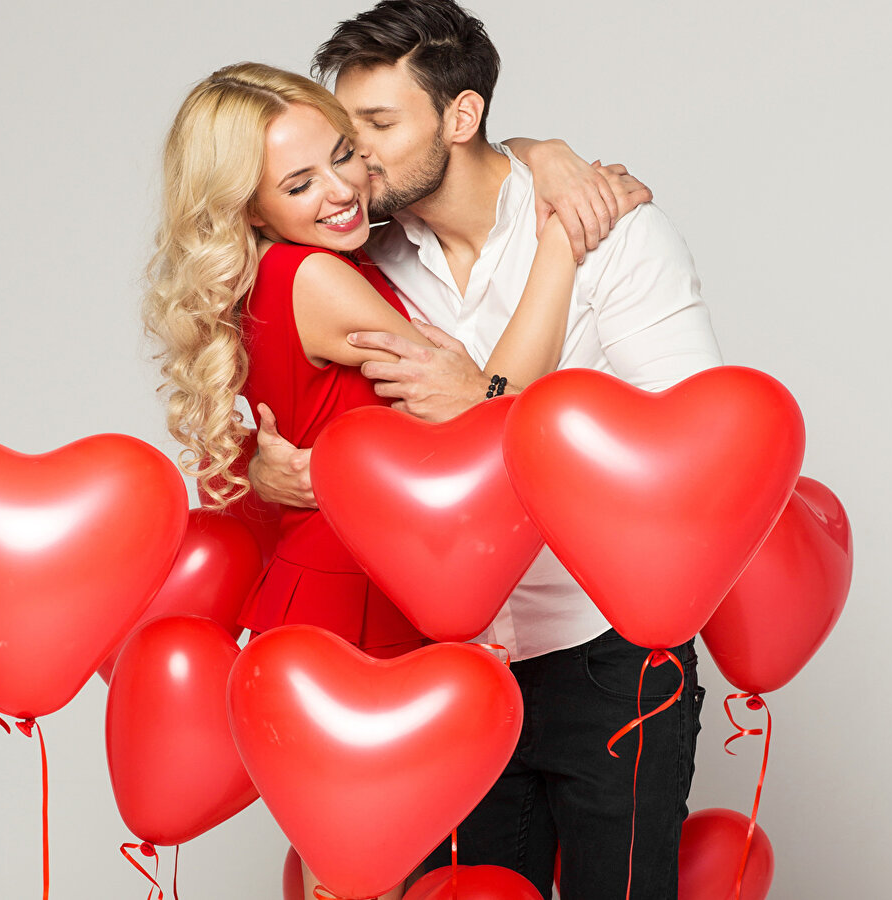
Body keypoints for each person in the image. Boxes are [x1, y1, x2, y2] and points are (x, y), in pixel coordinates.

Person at [247, 2, 725, 898]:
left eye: (378, 127)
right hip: (444, 665)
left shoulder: (611, 235)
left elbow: (694, 459)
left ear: (461, 116)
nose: (355, 161)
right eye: (348, 133)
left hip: (605, 650)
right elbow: (281, 375)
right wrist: (266, 469)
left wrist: (493, 410)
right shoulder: (362, 257)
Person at [141, 61, 648, 900]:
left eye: (344, 154)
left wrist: (541, 152)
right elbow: (486, 408)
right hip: (353, 604)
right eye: (300, 183)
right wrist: (559, 243)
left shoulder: (291, 268)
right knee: (363, 869)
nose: (343, 189)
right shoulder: (316, 279)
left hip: (344, 588)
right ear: (248, 207)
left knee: (360, 863)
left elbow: (459, 153)